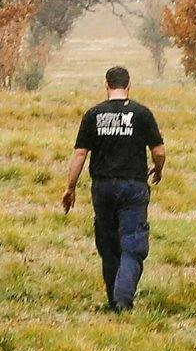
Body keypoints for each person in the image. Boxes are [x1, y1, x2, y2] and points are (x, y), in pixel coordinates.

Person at [60, 65, 165, 311]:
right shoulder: (142, 113)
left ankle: (113, 299)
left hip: (103, 188)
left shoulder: (93, 114)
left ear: (106, 86)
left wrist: (70, 187)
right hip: (133, 188)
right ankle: (123, 299)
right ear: (128, 86)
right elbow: (158, 151)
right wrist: (158, 169)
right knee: (132, 244)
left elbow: (80, 154)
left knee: (108, 246)